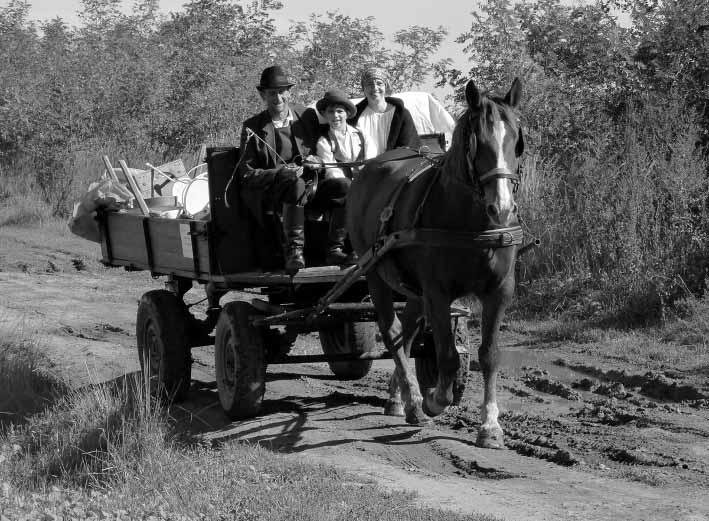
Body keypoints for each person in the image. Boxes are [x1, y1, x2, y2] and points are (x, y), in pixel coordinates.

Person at [237, 65, 349, 273]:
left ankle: (335, 248)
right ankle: (294, 252)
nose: (278, 98)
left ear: (289, 92)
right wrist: (281, 172)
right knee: (295, 184)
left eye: (281, 92)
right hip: (276, 192)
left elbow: (326, 142)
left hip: (313, 184)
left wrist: (318, 161)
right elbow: (247, 174)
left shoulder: (306, 115)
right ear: (263, 95)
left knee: (343, 186)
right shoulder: (252, 127)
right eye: (272, 93)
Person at [312, 89, 368, 265]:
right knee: (346, 187)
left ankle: (367, 247)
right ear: (325, 115)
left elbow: (370, 161)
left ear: (347, 114)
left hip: (359, 182)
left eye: (340, 111)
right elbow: (332, 171)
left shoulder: (361, 134)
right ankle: (335, 248)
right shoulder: (323, 141)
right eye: (331, 112)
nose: (336, 116)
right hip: (333, 187)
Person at [349, 68, 421, 157]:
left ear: (385, 86)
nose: (375, 88)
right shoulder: (354, 116)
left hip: (394, 167)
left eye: (379, 83)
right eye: (369, 84)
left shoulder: (401, 114)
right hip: (361, 168)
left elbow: (409, 147)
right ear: (363, 88)